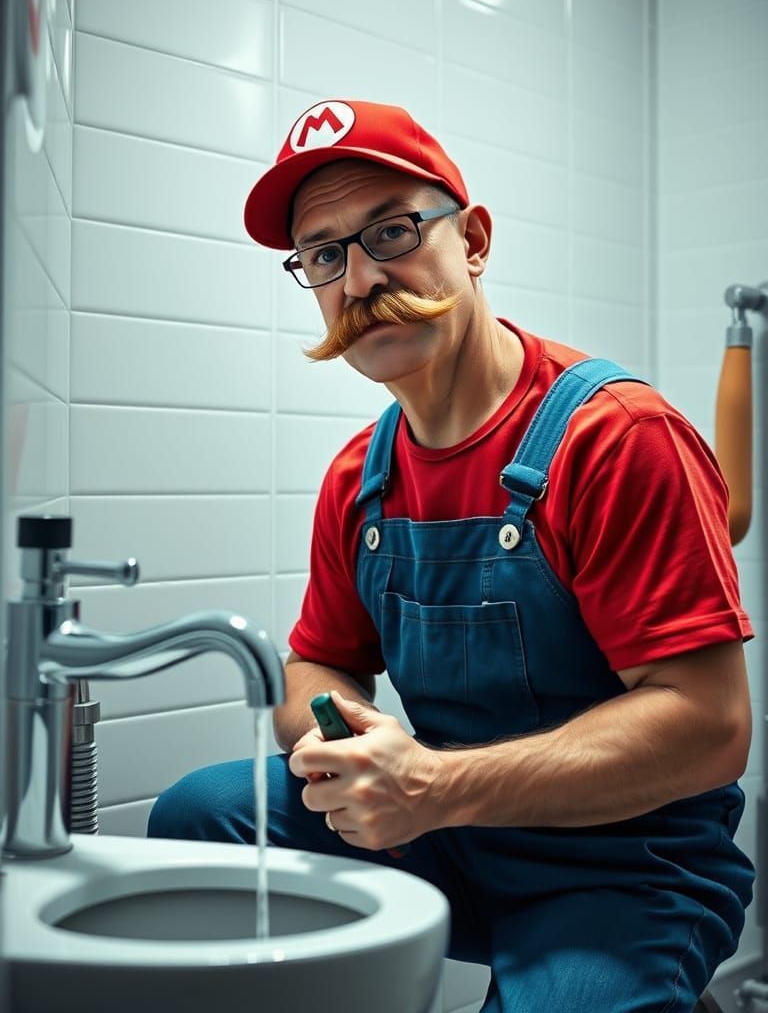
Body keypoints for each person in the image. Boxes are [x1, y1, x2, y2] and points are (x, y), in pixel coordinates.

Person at [148, 99, 755, 1012]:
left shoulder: (618, 438)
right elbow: (315, 663)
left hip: (627, 866)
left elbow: (710, 725)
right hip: (444, 835)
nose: (360, 280)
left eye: (391, 232)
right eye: (323, 255)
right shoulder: (361, 476)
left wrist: (432, 783)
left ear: (472, 241)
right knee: (202, 813)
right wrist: (353, 748)